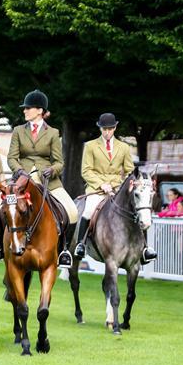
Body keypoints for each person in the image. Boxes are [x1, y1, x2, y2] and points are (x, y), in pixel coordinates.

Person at [0, 90, 78, 266]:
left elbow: (59, 162)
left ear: (40, 110)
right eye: (25, 108)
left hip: (47, 181)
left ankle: (63, 251)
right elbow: (12, 157)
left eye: (28, 108)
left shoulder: (52, 133)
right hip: (21, 182)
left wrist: (52, 170)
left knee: (72, 211)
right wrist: (19, 170)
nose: (25, 111)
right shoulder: (19, 131)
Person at [71, 112, 155, 263]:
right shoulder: (90, 146)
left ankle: (145, 248)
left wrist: (130, 182)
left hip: (117, 188)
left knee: (137, 212)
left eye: (110, 129)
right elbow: (86, 170)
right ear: (100, 129)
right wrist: (101, 184)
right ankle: (80, 245)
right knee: (89, 210)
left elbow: (130, 170)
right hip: (96, 188)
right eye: (104, 129)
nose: (107, 132)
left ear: (115, 128)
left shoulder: (123, 147)